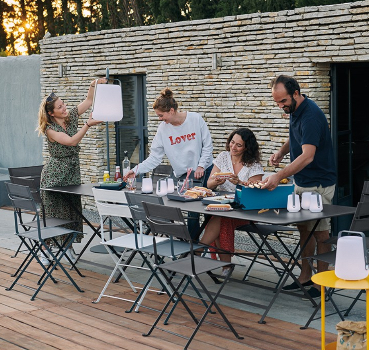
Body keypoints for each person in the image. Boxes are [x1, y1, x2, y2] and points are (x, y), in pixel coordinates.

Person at [261, 75, 336, 299]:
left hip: (319, 184)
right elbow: (296, 137)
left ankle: (322, 285)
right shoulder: (296, 110)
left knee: (321, 233)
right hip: (302, 182)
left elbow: (308, 156)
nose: (281, 107)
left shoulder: (311, 115)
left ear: (295, 94)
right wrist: (282, 152)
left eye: (283, 101)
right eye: (277, 102)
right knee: (304, 229)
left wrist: (278, 176)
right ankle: (305, 277)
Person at [123, 87, 213, 239]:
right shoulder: (163, 129)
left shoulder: (195, 119)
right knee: (189, 213)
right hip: (184, 175)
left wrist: (201, 165)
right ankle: (191, 248)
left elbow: (208, 146)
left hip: (205, 171)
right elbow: (154, 158)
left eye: (161, 115)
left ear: (171, 110)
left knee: (204, 213)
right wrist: (136, 170)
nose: (160, 119)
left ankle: (205, 248)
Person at [37, 78, 106, 265]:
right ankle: (46, 250)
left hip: (72, 172)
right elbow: (71, 141)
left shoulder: (70, 117)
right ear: (51, 113)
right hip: (55, 175)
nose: (64, 107)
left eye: (64, 104)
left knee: (71, 210)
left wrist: (94, 84)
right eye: (60, 107)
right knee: (52, 213)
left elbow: (89, 101)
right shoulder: (50, 129)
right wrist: (87, 125)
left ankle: (67, 248)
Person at [200, 128, 264, 276]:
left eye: (238, 145)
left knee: (222, 218)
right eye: (232, 142)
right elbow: (208, 185)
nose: (233, 147)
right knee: (221, 216)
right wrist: (216, 181)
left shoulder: (254, 165)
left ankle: (199, 249)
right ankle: (225, 265)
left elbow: (255, 192)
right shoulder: (223, 156)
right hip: (222, 205)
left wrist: (239, 182)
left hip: (245, 210)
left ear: (247, 147)